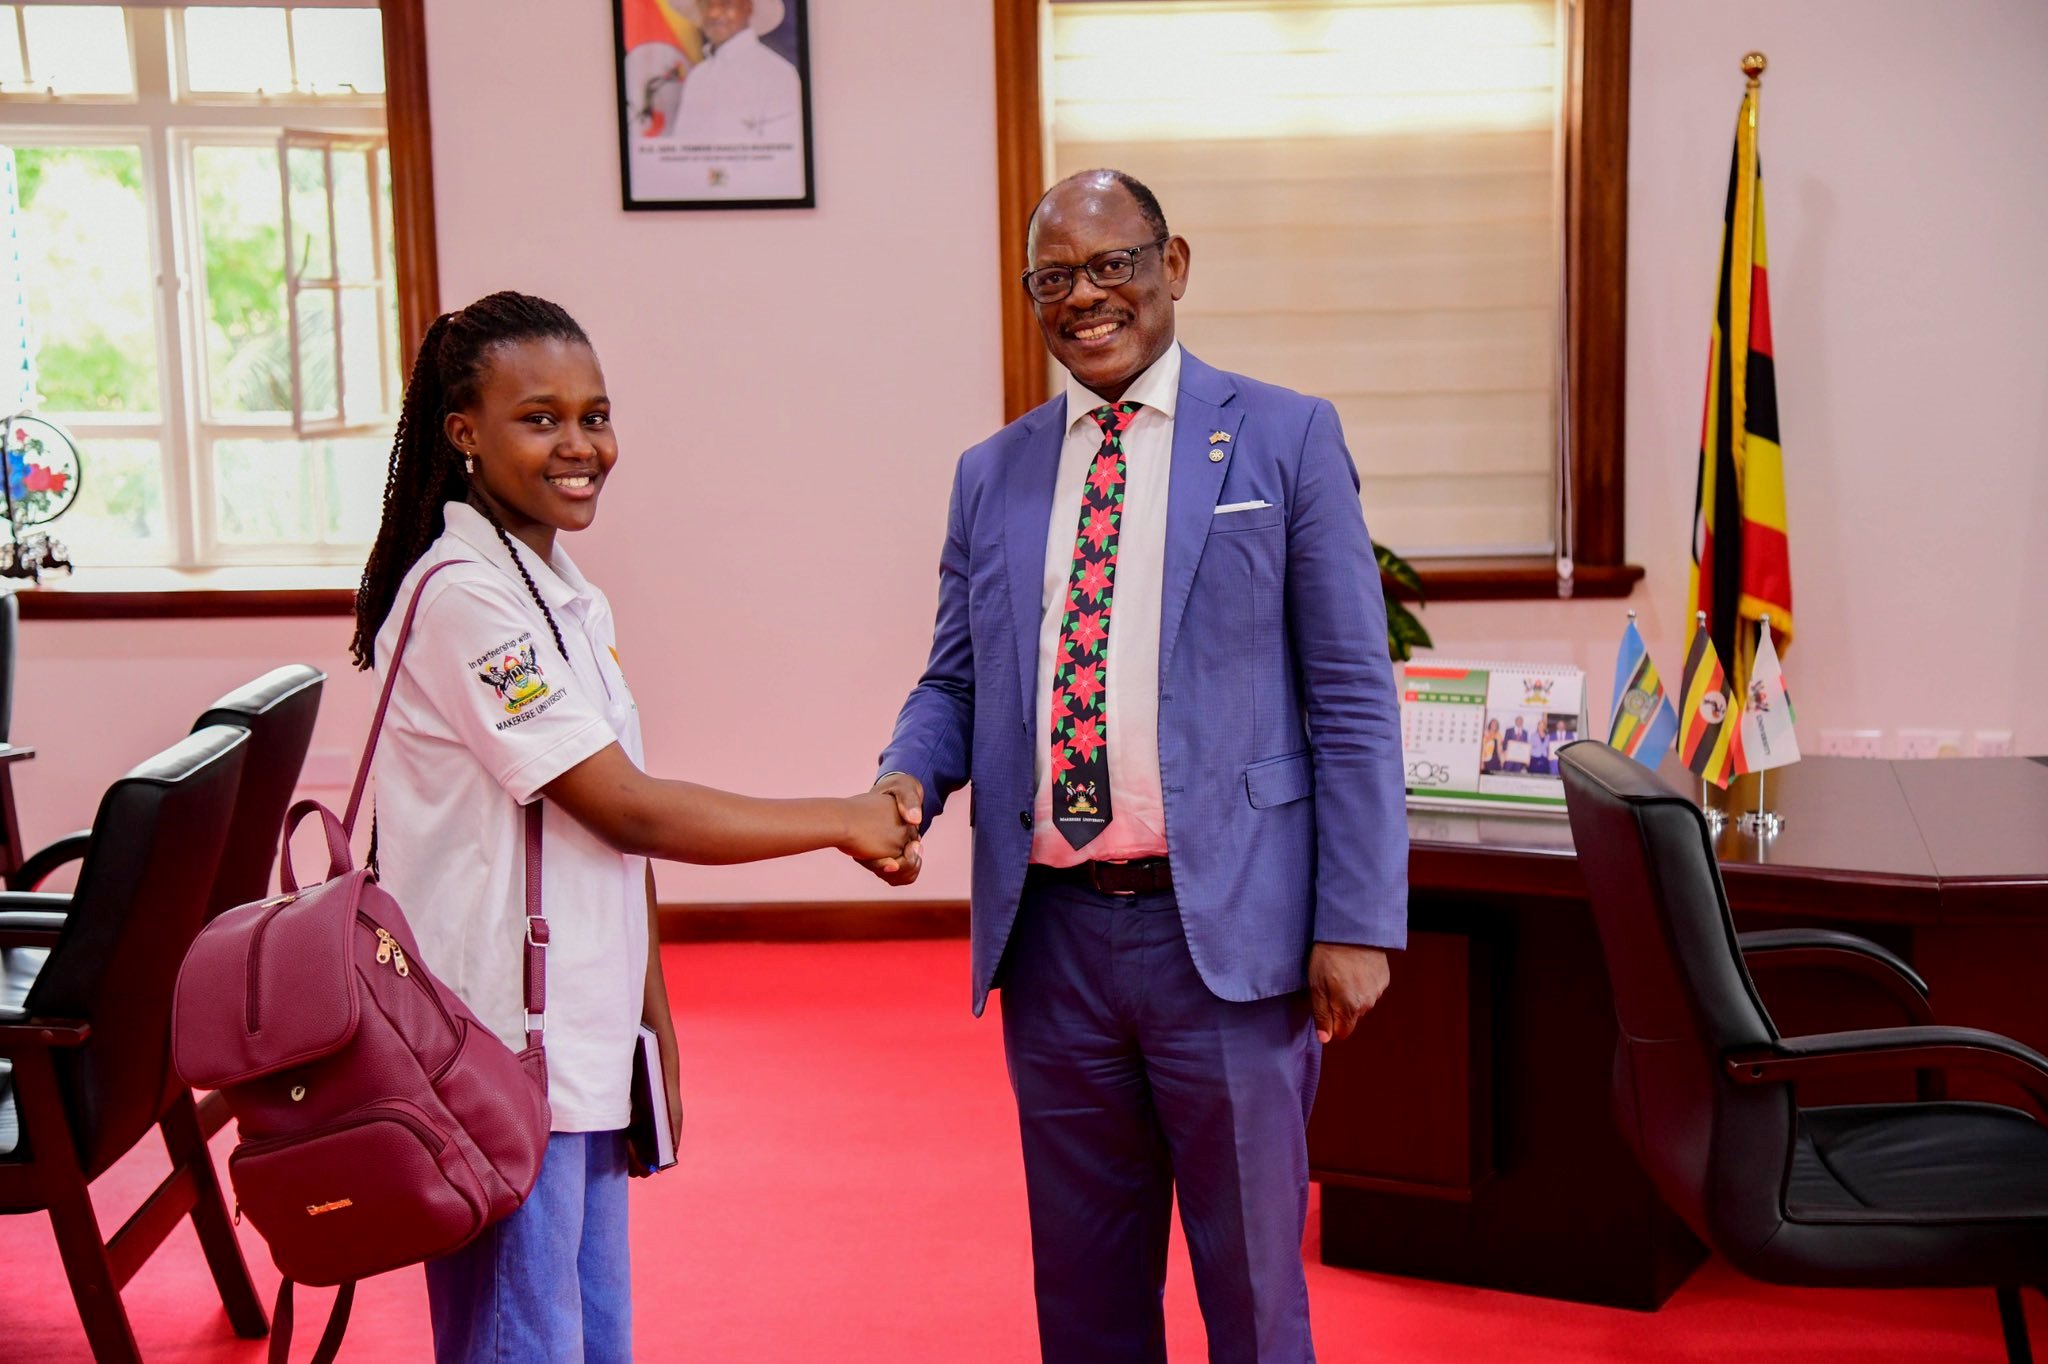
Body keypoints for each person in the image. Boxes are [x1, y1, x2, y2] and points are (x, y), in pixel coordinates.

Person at [868, 171, 1408, 1362]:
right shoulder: (991, 472)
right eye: (1052, 279)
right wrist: (904, 782)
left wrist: (1357, 918)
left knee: (1255, 1293)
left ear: (1172, 263)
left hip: (1224, 936)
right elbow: (955, 678)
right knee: (1084, 1291)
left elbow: (1353, 695)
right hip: (1054, 939)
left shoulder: (1284, 433)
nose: (1085, 298)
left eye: (1111, 265)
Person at [349, 292, 915, 1363]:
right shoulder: (464, 593)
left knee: (588, 1334)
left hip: (575, 1040)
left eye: (594, 414)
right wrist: (843, 819)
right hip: (494, 1047)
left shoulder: (562, 592)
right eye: (541, 418)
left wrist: (650, 1027)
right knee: (521, 1340)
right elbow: (625, 802)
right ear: (462, 433)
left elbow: (618, 840)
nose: (581, 446)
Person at [671, 0, 800, 146]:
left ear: (748, 8)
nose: (714, 14)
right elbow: (682, 149)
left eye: (726, 4)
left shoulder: (777, 75)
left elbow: (782, 154)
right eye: (707, 5)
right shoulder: (698, 76)